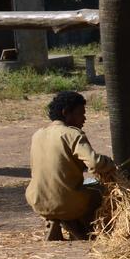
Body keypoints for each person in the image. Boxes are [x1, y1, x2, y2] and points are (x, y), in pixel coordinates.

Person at [25, 91, 116, 241]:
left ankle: (55, 222)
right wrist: (109, 163)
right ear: (66, 113)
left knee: (70, 191)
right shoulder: (73, 134)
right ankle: (85, 230)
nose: (84, 118)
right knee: (101, 192)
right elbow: (94, 163)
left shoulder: (37, 134)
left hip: (37, 201)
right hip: (67, 202)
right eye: (81, 113)